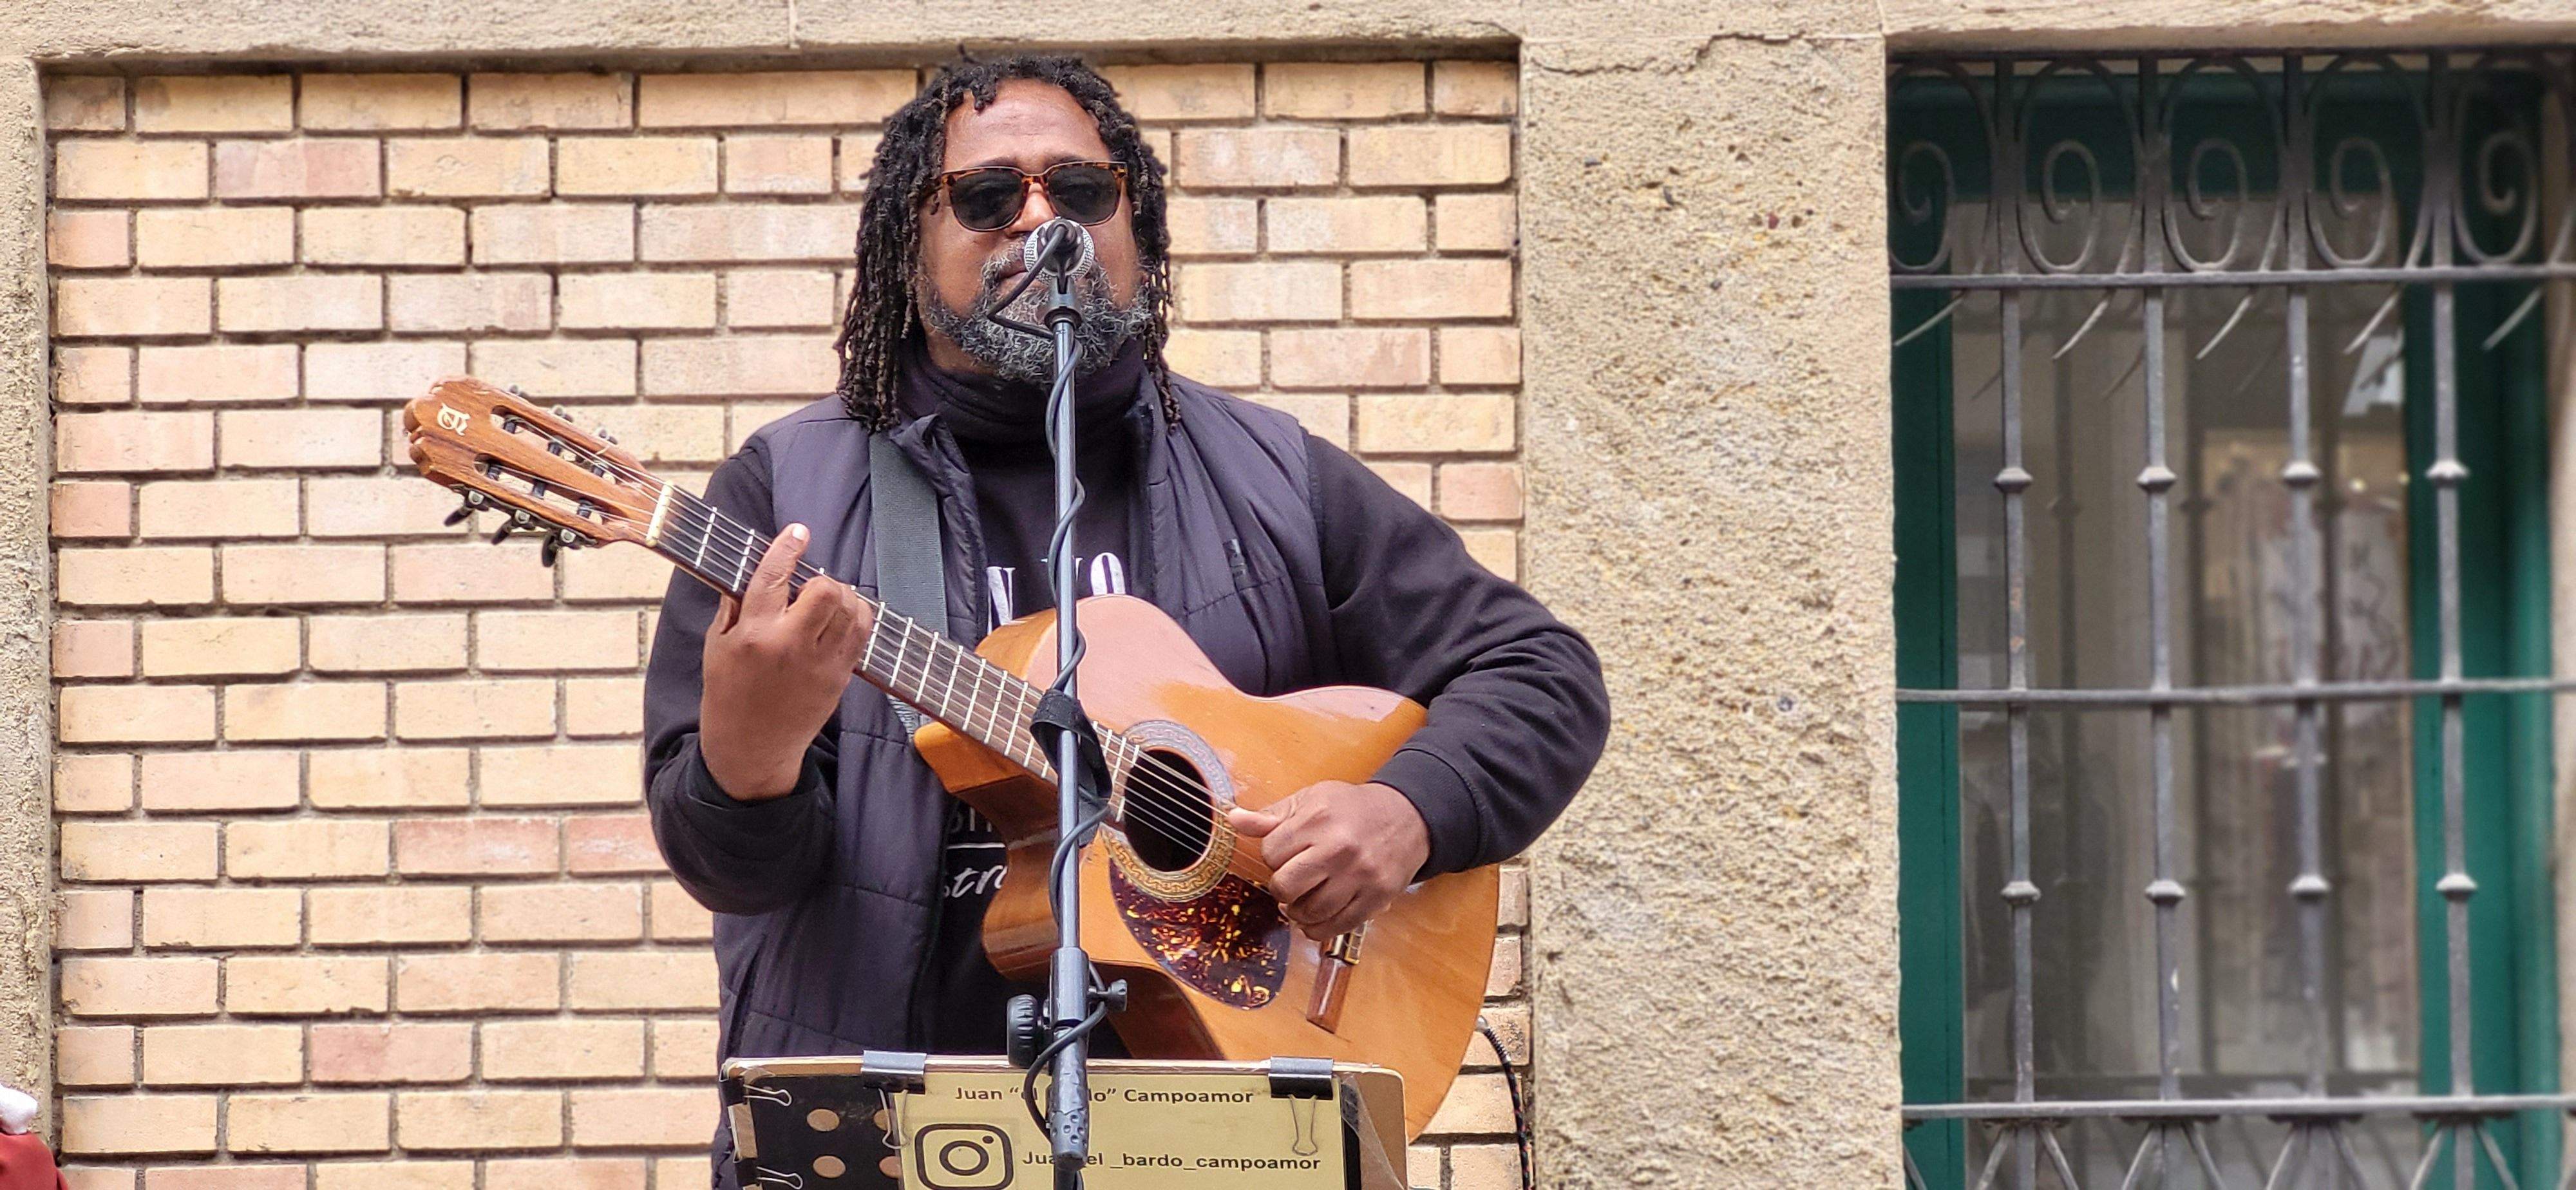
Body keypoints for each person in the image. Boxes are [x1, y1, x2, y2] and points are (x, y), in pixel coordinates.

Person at [641, 53, 1610, 1185]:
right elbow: (736, 872)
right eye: (989, 195)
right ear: (912, 242)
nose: (1040, 220)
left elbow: (1540, 671)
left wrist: (1409, 808)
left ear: (1134, 224)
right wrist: (749, 758)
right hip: (890, 1133)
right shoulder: (784, 499)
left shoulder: (1271, 478)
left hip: (1223, 1126)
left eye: (1082, 191)